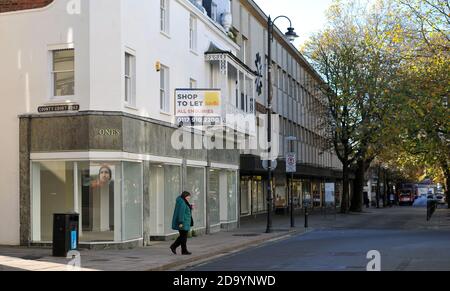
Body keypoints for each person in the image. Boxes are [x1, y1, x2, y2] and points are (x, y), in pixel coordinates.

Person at [170, 191, 194, 255]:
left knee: (182, 237)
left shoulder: (183, 202)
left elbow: (186, 211)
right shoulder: (182, 203)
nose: (189, 198)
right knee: (183, 237)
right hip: (183, 222)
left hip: (185, 222)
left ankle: (179, 249)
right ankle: (177, 248)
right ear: (185, 196)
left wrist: (190, 207)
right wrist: (181, 222)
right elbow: (181, 213)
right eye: (188, 197)